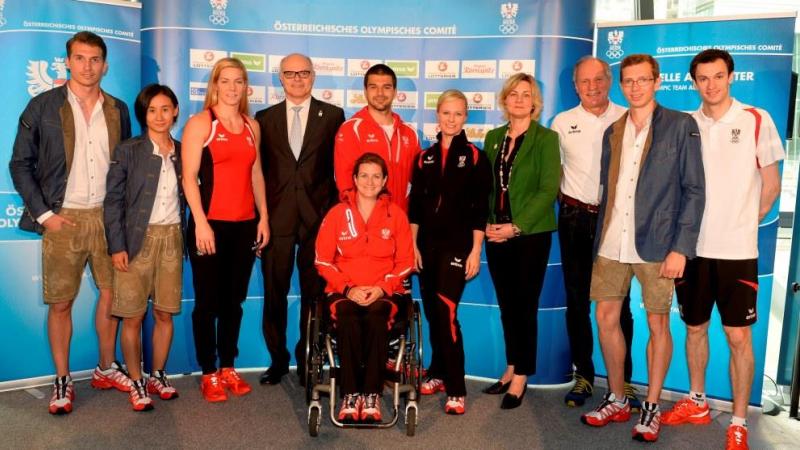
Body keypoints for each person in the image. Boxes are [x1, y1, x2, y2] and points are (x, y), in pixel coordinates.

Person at [661, 49, 784, 450]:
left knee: (737, 337)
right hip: (692, 250)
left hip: (737, 251)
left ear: (731, 77)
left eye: (718, 76)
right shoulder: (685, 124)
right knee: (694, 328)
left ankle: (738, 419)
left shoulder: (755, 118)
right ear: (694, 82)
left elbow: (771, 185)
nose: (711, 85)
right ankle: (697, 401)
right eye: (703, 78)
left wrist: (743, 222)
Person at [580, 54, 705, 443]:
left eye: (642, 80)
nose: (635, 87)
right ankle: (617, 397)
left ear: (656, 82)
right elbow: (609, 186)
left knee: (656, 323)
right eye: (628, 81)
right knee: (605, 318)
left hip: (659, 243)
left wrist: (680, 247)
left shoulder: (681, 125)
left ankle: (650, 406)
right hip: (612, 240)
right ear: (621, 85)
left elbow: (694, 190)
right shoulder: (613, 130)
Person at [9, 31, 132, 415]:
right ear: (67, 62)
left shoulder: (118, 108)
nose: (87, 66)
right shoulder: (42, 107)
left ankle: (106, 367)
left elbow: (124, 166)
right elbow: (19, 163)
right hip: (64, 218)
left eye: (95, 59)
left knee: (113, 296)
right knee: (61, 303)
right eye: (79, 58)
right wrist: (46, 215)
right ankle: (62, 379)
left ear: (105, 65)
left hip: (108, 217)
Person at [551, 56, 639, 410]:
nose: (592, 87)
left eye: (599, 79)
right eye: (584, 81)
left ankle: (625, 381)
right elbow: (552, 176)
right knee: (577, 302)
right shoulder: (562, 121)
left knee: (621, 305)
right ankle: (584, 374)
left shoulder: (627, 118)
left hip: (616, 220)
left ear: (610, 80)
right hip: (575, 219)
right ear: (575, 86)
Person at [181, 57, 269, 402]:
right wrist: (200, 223)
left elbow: (256, 175)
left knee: (234, 303)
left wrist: (264, 218)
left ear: (246, 87)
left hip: (245, 226)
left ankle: (228, 366)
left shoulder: (251, 126)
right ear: (215, 85)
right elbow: (188, 177)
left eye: (239, 81)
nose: (232, 88)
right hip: (210, 226)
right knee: (207, 304)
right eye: (225, 81)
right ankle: (208, 372)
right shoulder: (201, 123)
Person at [255, 53, 345, 385]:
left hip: (317, 221)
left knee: (314, 296)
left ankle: (309, 356)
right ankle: (278, 360)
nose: (297, 78)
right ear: (280, 78)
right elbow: (258, 174)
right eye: (290, 73)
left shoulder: (333, 116)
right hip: (275, 221)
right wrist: (260, 218)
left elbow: (338, 170)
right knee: (273, 294)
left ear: (313, 76)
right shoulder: (263, 118)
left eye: (303, 73)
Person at [408, 90, 491, 415]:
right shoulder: (423, 157)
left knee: (447, 314)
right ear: (437, 116)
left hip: (457, 247)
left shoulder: (474, 156)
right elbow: (415, 206)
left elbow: (479, 208)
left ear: (466, 117)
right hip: (426, 246)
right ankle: (438, 371)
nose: (451, 119)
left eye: (458, 114)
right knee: (432, 313)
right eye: (446, 113)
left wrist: (475, 251)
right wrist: (413, 245)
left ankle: (456, 388)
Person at [314, 153, 414, 423]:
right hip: (344, 290)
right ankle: (350, 395)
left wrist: (382, 288)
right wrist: (348, 289)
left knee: (375, 315)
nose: (370, 181)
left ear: (385, 181)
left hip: (386, 293)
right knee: (347, 316)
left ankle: (370, 394)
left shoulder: (397, 216)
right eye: (364, 175)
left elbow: (406, 262)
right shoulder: (336, 214)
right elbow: (322, 260)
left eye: (376, 176)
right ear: (355, 179)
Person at [481, 73, 561, 410]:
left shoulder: (546, 138)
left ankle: (522, 375)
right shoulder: (493, 137)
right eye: (513, 93)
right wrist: (486, 223)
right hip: (495, 233)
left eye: (525, 94)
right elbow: (486, 184)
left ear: (535, 102)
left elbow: (548, 189)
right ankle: (511, 365)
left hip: (530, 235)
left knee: (525, 307)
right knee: (507, 305)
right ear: (504, 99)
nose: (518, 99)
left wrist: (517, 226)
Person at [104, 84, 184, 411]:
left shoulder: (184, 150)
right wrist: (117, 246)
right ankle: (136, 380)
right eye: (152, 110)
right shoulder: (128, 150)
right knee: (132, 316)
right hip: (135, 240)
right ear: (143, 114)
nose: (160, 116)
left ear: (175, 111)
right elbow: (112, 202)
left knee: (164, 312)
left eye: (165, 109)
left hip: (172, 238)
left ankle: (157, 374)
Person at [334, 64, 420, 213]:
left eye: (386, 87)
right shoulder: (351, 130)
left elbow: (418, 185)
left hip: (400, 223)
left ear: (395, 92)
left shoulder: (410, 133)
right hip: (367, 226)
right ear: (366, 91)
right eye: (373, 87)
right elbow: (346, 186)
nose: (380, 93)